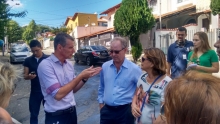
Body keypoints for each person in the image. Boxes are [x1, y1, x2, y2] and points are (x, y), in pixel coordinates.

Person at [37, 33, 102, 124]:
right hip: (56, 116)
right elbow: (58, 95)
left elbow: (73, 89)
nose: (74, 50)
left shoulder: (69, 65)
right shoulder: (46, 65)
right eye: (70, 47)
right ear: (60, 47)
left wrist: (85, 78)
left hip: (71, 113)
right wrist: (80, 76)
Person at [98, 37, 142, 124]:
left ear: (125, 50)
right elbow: (102, 87)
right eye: (111, 51)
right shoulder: (105, 67)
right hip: (107, 111)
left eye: (116, 52)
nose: (113, 54)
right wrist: (101, 104)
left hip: (125, 112)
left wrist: (134, 103)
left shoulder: (134, 69)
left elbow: (141, 87)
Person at [131, 48, 172, 124]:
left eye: (143, 59)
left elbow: (166, 112)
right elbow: (136, 94)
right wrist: (133, 105)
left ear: (152, 63)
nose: (140, 60)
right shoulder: (142, 77)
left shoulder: (167, 83)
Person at [23, 40, 48, 124]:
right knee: (33, 115)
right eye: (33, 51)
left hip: (48, 91)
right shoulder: (28, 60)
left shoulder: (49, 59)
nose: (35, 52)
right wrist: (29, 76)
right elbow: (25, 76)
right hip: (35, 91)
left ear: (41, 48)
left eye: (37, 50)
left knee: (50, 113)